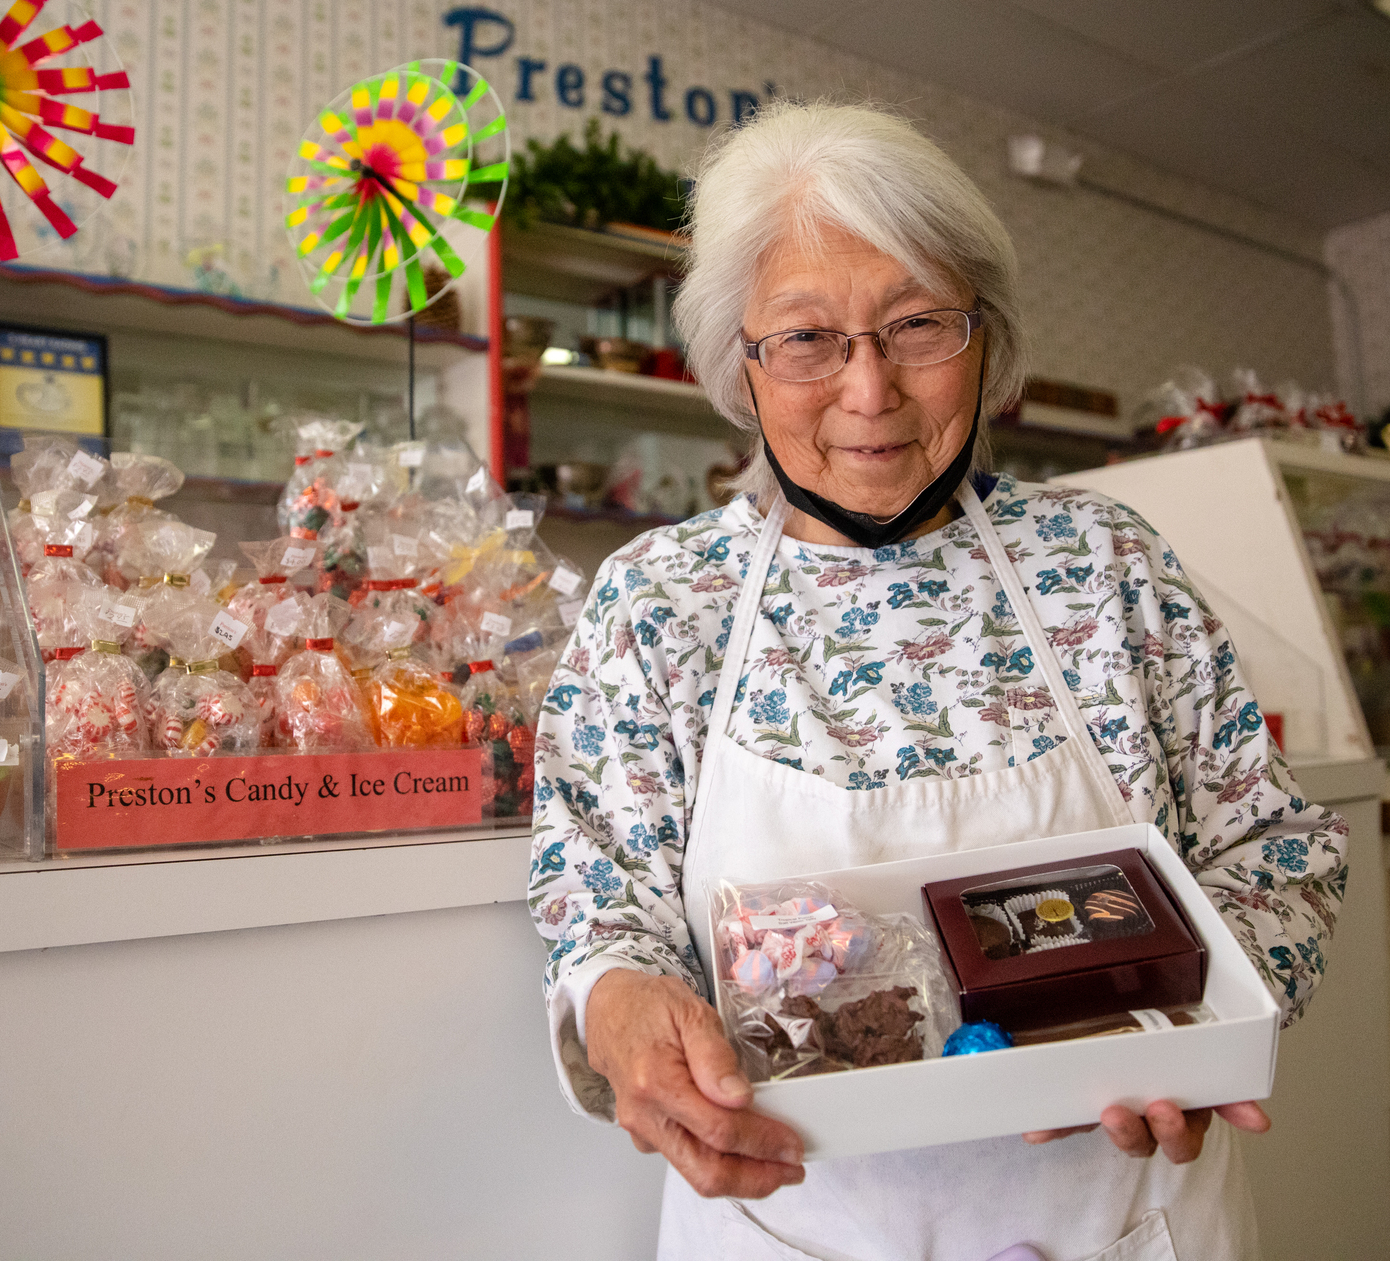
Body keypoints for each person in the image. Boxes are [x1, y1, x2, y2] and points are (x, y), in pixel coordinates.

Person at [527, 101, 1346, 1261]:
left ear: (985, 339)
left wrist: (1194, 1031)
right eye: (807, 339)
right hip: (789, 1223)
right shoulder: (657, 601)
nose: (869, 392)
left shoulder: (1103, 566)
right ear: (738, 364)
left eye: (916, 326)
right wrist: (617, 1006)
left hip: (1121, 1213)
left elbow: (1274, 845)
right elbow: (596, 898)